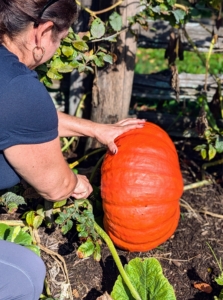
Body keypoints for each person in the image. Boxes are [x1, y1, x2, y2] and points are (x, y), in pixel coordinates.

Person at [0, 0, 145, 299]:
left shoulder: (8, 77)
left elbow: (23, 120)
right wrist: (74, 182)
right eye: (61, 40)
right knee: (26, 274)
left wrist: (96, 129)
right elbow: (55, 188)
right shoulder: (19, 88)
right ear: (43, 32)